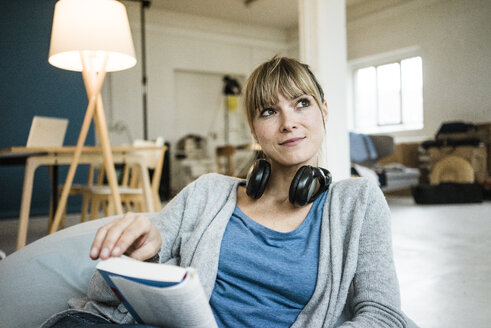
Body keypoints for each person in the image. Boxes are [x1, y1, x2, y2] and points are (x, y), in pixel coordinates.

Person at [42, 56, 408, 327]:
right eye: (268, 111)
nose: (288, 122)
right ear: (253, 130)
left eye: (301, 103)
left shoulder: (357, 202)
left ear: (324, 112)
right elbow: (102, 293)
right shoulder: (208, 192)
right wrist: (138, 256)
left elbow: (383, 314)